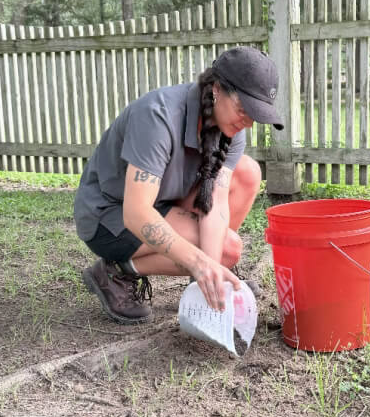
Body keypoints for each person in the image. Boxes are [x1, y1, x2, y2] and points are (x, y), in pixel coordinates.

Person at [74, 45, 283, 324]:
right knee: (229, 248)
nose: (247, 122)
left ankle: (207, 278)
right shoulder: (157, 116)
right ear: (216, 89)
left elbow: (217, 202)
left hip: (162, 199)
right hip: (111, 214)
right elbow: (136, 213)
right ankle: (115, 272)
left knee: (247, 174)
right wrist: (199, 263)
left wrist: (211, 267)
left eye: (254, 115)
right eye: (244, 108)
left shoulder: (230, 128)